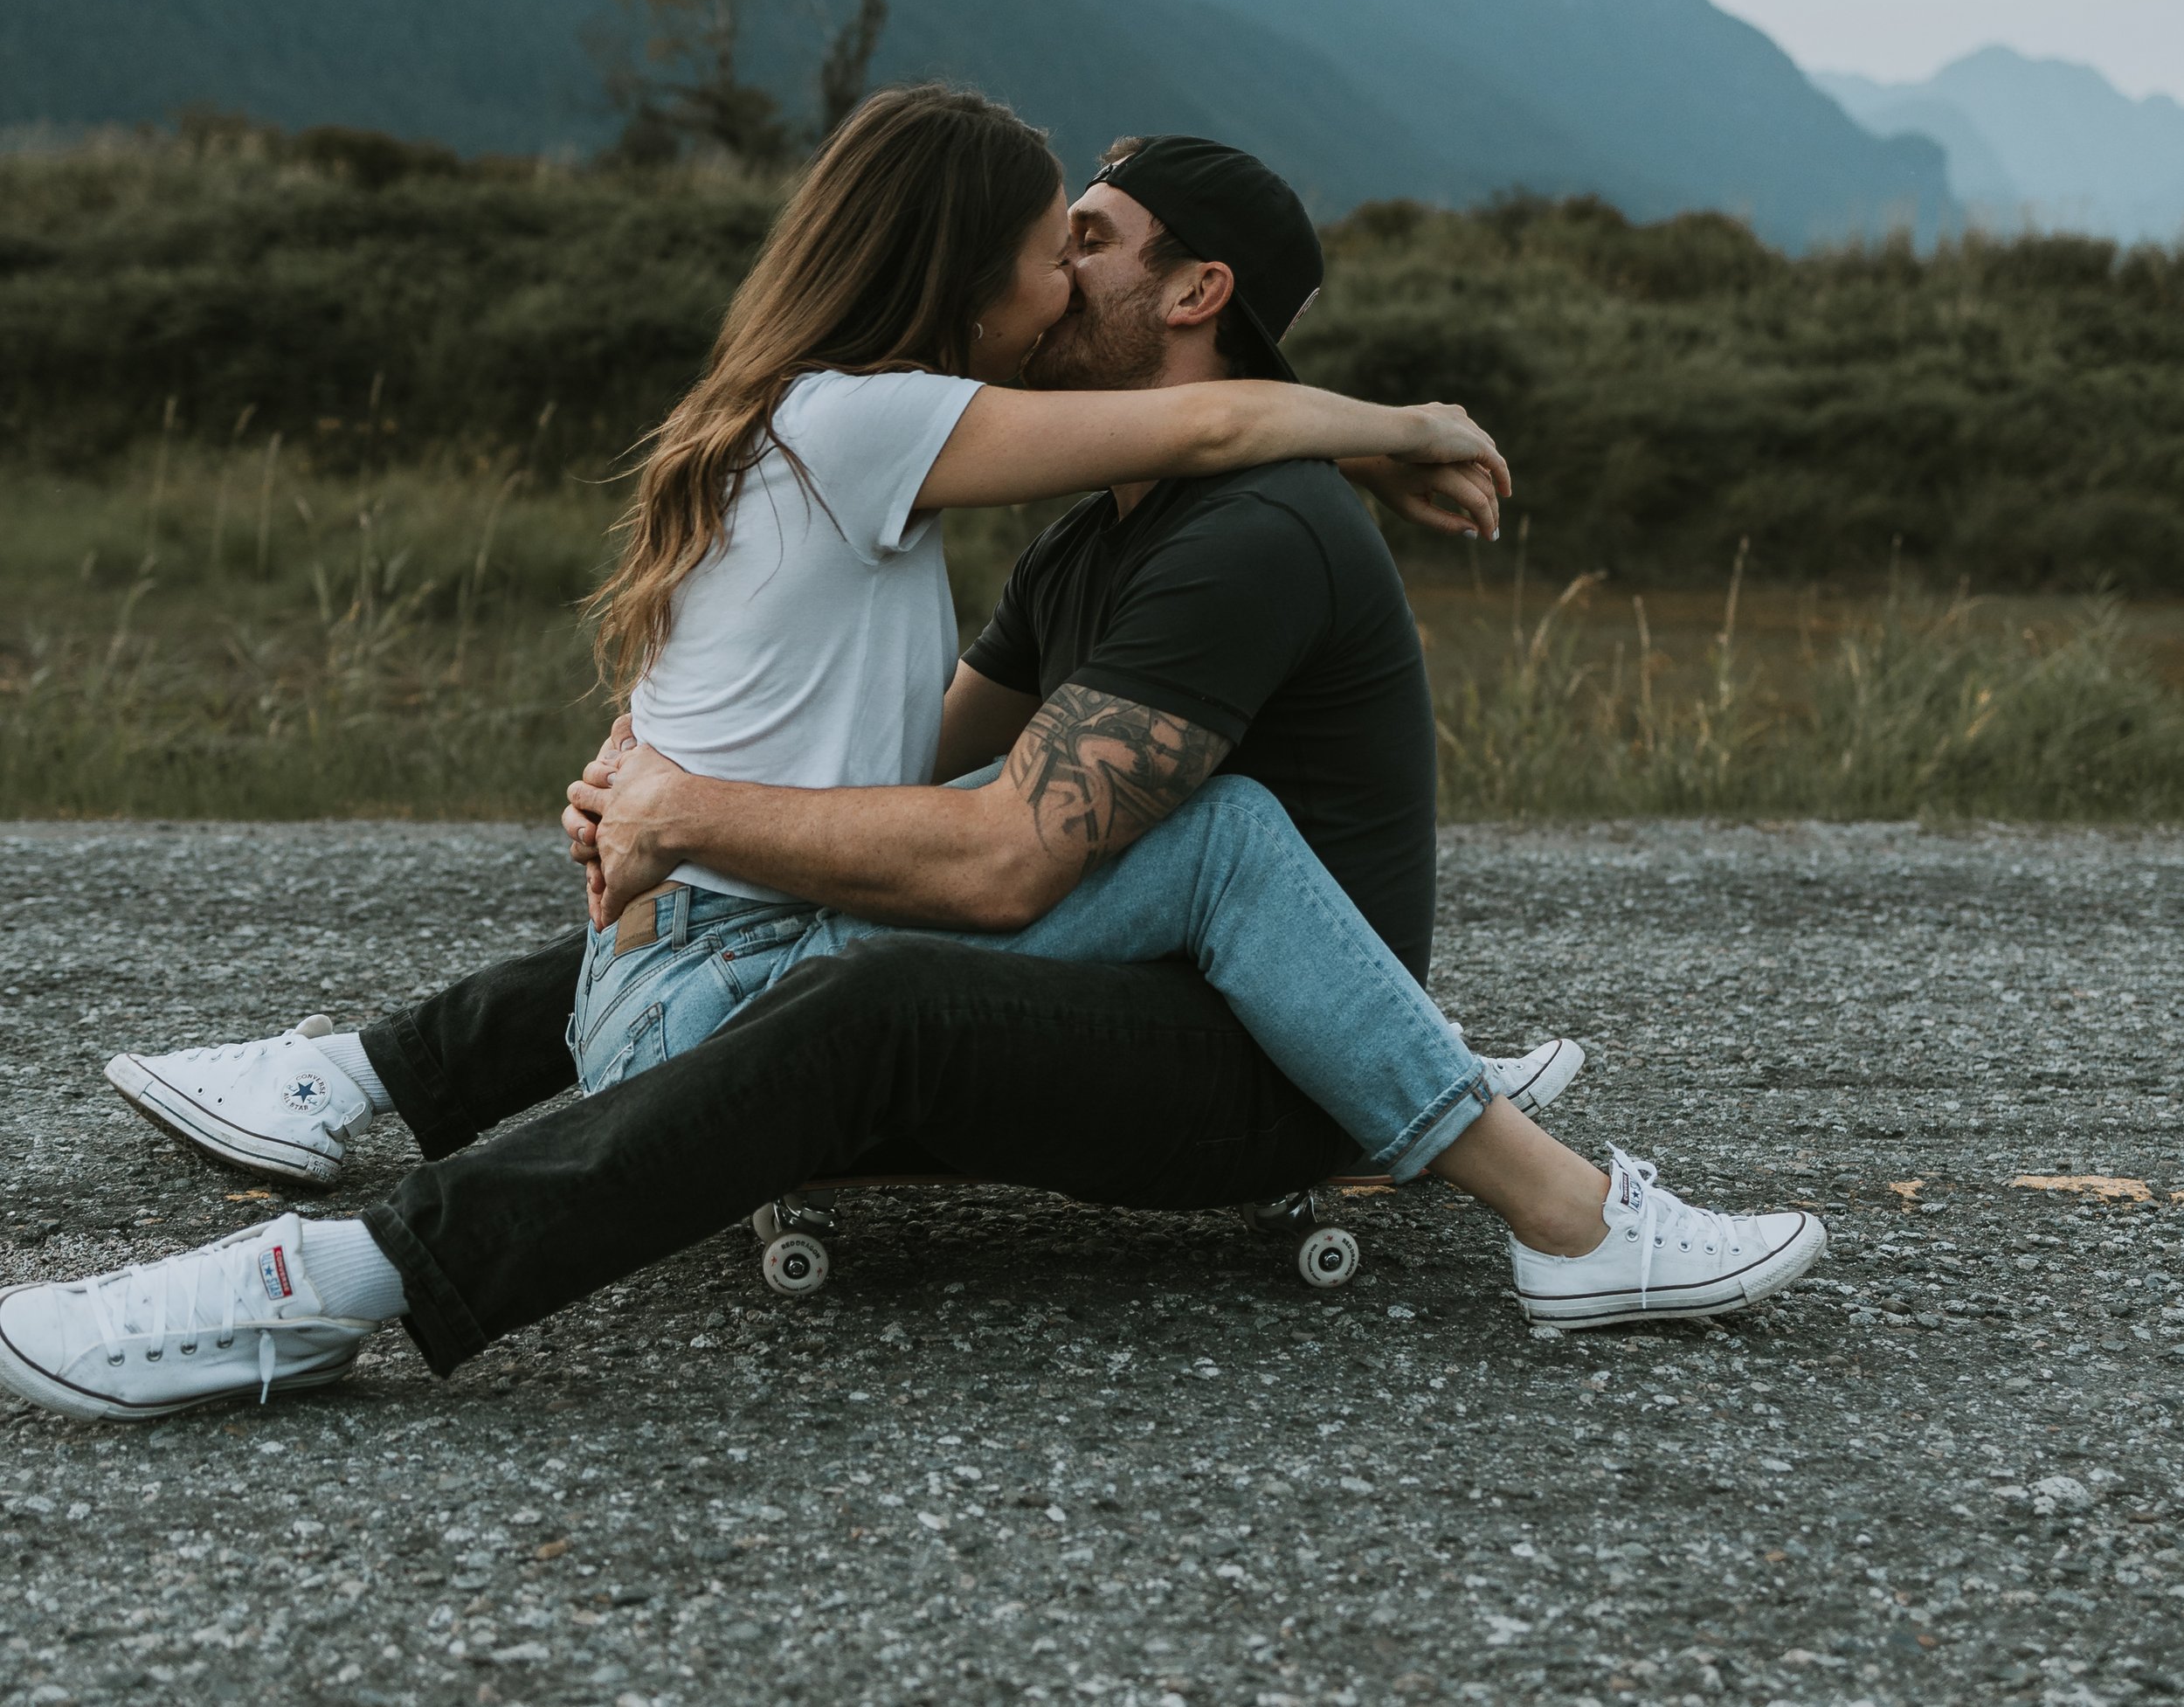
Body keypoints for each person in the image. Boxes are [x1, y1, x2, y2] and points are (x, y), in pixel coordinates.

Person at [0, 112, 1825, 1422]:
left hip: (1252, 1069)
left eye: (1086, 245)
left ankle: (327, 1285)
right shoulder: (1080, 518)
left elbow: (1004, 860)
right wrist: (665, 793)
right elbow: (899, 775)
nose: (1052, 271)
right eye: (1049, 240)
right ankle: (362, 1077)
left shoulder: (1246, 530)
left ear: (1193, 290)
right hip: (1171, 987)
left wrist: (688, 812)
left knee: (941, 952)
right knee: (845, 893)